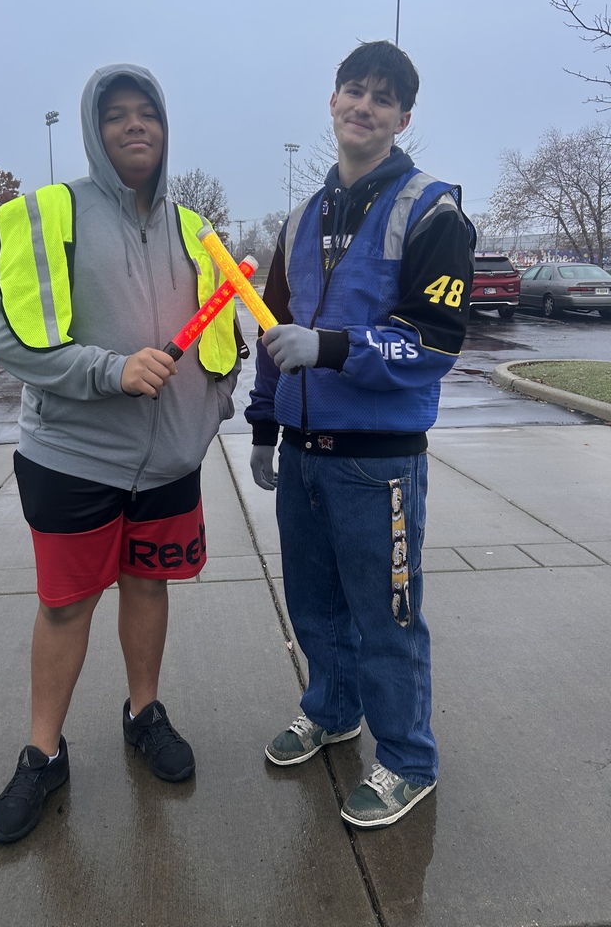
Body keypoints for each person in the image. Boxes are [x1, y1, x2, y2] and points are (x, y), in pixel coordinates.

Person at [0, 63, 242, 844]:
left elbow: (222, 341)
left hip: (167, 463)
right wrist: (110, 371)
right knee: (65, 607)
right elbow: (10, 341)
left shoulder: (196, 229)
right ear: (95, 132)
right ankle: (41, 753)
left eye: (148, 114)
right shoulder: (48, 213)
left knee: (149, 587)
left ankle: (143, 713)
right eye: (117, 116)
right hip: (71, 458)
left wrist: (209, 414)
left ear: (166, 129)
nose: (136, 126)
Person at [246, 41, 475, 829]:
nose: (365, 106)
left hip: (377, 466)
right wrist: (264, 425)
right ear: (333, 100)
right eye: (355, 90)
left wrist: (336, 347)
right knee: (314, 605)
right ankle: (331, 708)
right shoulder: (302, 216)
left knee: (387, 617)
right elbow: (273, 328)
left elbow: (437, 341)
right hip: (305, 455)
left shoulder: (433, 209)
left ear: (402, 118)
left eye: (383, 98)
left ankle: (409, 759)